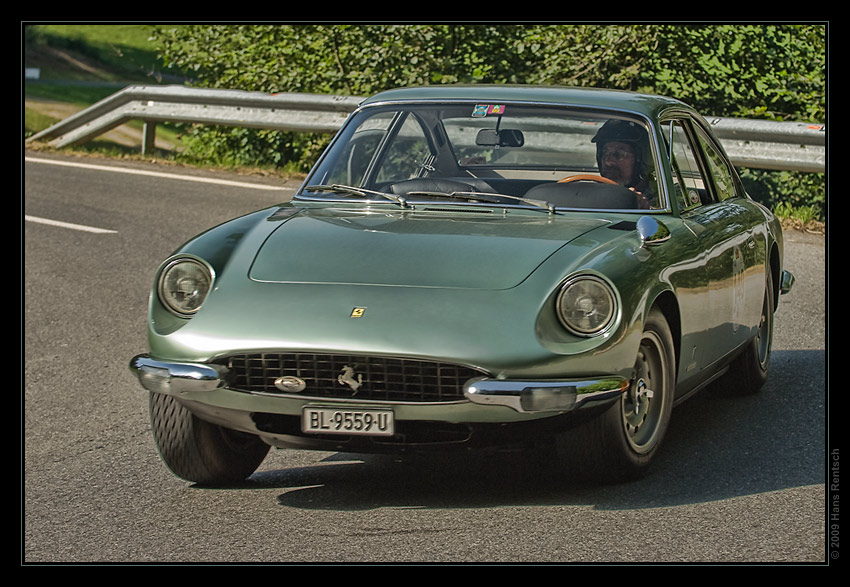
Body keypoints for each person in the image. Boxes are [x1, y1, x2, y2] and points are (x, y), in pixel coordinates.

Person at [592, 119, 654, 208]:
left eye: (619, 154)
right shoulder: (593, 195)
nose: (608, 161)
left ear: (641, 159)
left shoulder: (662, 198)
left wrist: (644, 209)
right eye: (605, 153)